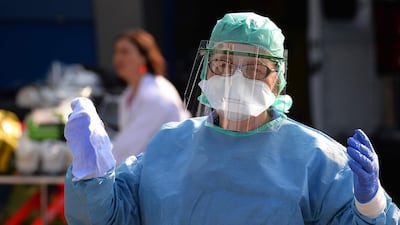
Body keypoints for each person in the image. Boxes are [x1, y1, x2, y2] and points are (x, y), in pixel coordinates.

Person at [63, 12, 400, 224]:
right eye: (223, 65)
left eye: (253, 68)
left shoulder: (316, 158)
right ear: (207, 69)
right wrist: (92, 177)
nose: (236, 79)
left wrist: (369, 205)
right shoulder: (170, 145)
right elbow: (113, 217)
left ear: (278, 79)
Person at [110, 29, 190, 165]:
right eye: (116, 52)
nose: (118, 58)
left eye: (125, 52)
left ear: (143, 57)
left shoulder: (157, 95)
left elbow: (128, 149)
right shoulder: (128, 94)